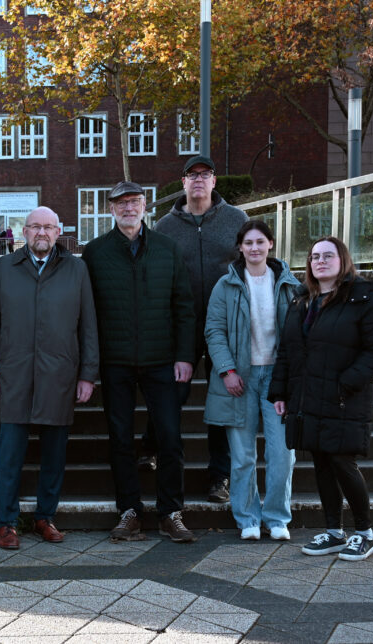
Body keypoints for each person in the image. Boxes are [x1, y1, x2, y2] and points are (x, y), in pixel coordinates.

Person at [82, 180, 197, 543]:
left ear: (145, 206)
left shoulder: (167, 248)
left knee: (169, 436)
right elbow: (86, 312)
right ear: (111, 209)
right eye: (121, 203)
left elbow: (184, 306)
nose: (128, 208)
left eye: (134, 202)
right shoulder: (95, 253)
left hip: (161, 359)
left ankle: (170, 512)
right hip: (115, 360)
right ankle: (129, 511)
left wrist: (185, 355)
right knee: (119, 438)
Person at [0, 207, 99, 550]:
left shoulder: (76, 269)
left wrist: (88, 374)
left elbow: (88, 325)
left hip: (59, 374)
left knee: (54, 455)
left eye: (48, 227)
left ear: (58, 231)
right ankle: (6, 523)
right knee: (9, 454)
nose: (41, 232)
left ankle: (45, 517)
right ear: (25, 232)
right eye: (35, 227)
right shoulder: (5, 268)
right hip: (14, 374)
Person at [270, 236, 373, 561]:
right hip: (308, 397)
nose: (320, 261)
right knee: (321, 462)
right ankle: (334, 532)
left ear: (343, 260)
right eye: (314, 257)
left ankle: (365, 533)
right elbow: (288, 351)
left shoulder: (363, 297)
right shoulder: (302, 300)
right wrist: (280, 392)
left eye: (328, 255)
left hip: (343, 397)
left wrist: (345, 383)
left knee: (342, 462)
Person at [152, 155, 248, 503]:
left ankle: (219, 476)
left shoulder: (237, 219)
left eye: (204, 174)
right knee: (171, 393)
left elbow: (251, 265)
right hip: (182, 325)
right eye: (191, 175)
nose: (198, 180)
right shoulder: (165, 226)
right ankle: (155, 449)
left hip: (225, 326)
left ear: (213, 181)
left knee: (222, 399)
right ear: (183, 183)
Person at [204, 221, 299, 541]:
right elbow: (214, 331)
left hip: (277, 379)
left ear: (271, 243)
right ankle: (247, 518)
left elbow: (300, 333)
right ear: (240, 247)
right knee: (243, 456)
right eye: (248, 243)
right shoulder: (225, 285)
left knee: (282, 453)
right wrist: (227, 371)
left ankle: (277, 517)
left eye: (260, 241)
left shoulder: (289, 284)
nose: (254, 248)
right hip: (240, 378)